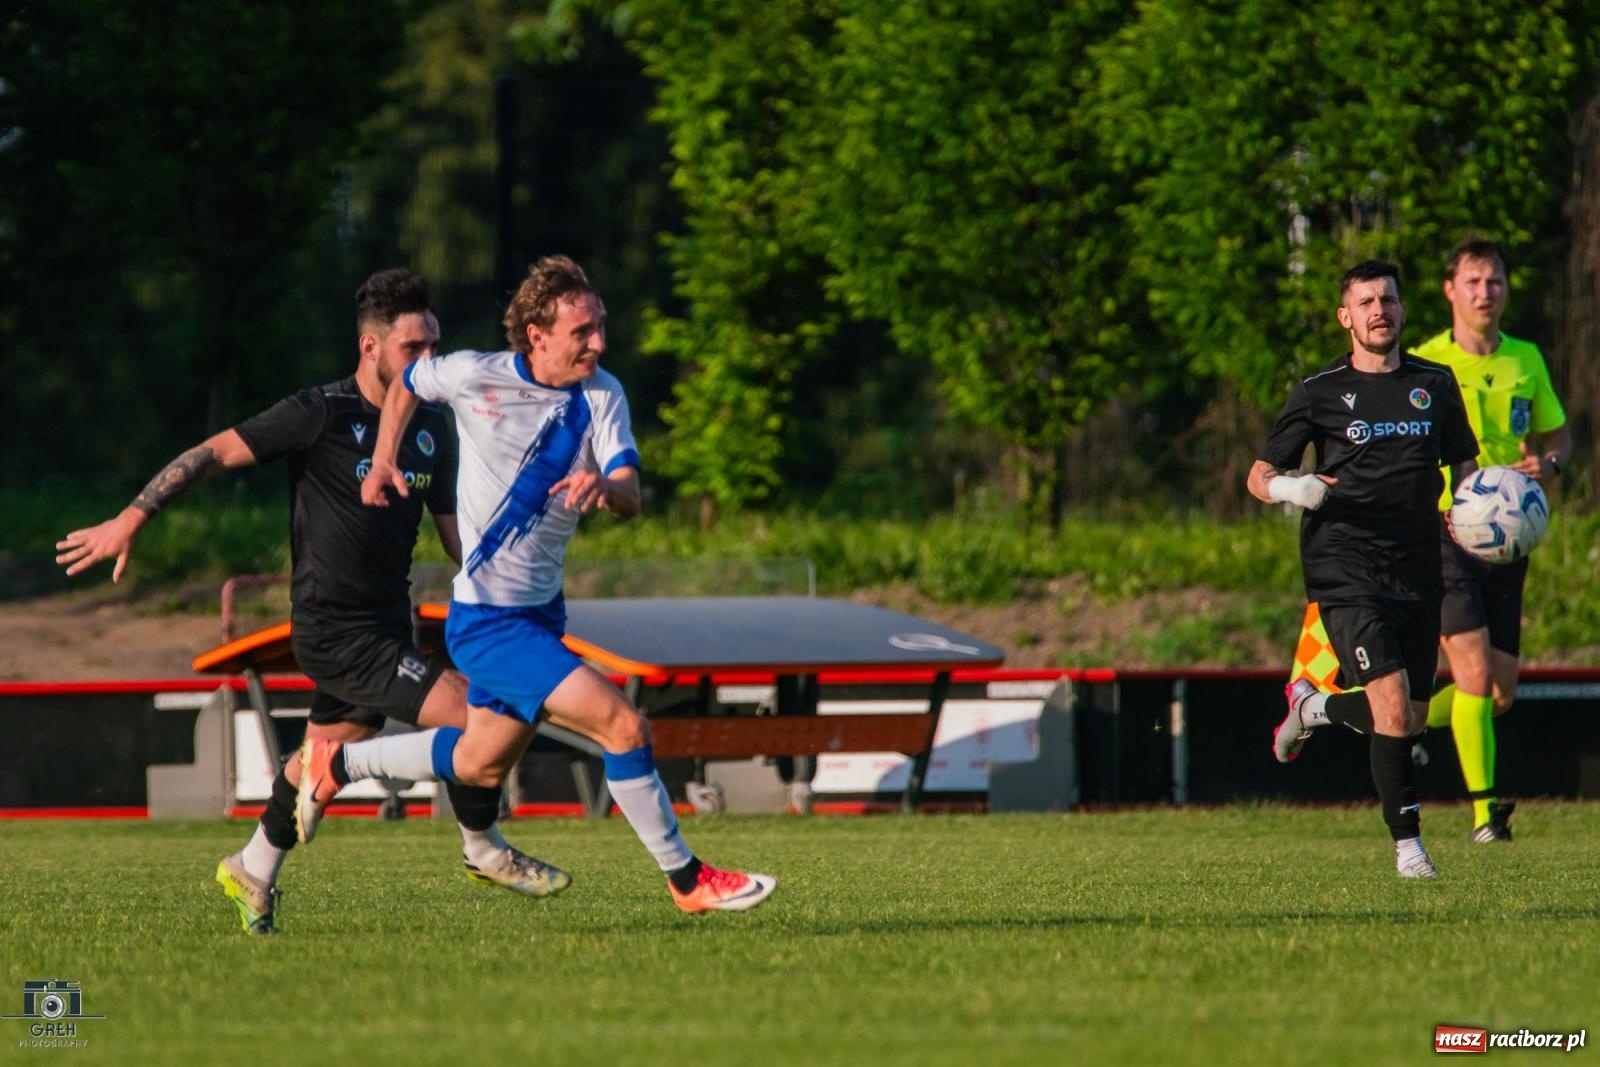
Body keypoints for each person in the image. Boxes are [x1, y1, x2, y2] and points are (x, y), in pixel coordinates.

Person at [55, 269, 566, 936]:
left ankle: (253, 866)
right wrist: (132, 517)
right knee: (479, 716)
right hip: (334, 629)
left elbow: (459, 541)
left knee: (328, 747)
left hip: (391, 624)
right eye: (414, 348)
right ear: (370, 347)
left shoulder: (434, 428)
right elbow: (211, 453)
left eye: (435, 346)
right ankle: (482, 846)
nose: (429, 361)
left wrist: (528, 548)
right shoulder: (320, 412)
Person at [295, 255, 777, 913]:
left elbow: (633, 493)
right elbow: (407, 380)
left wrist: (605, 486)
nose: (598, 343)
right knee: (625, 727)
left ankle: (341, 763)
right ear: (536, 335)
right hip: (488, 622)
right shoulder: (474, 374)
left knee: (478, 763)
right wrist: (382, 460)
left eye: (600, 326)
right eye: (582, 331)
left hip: (541, 613)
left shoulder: (602, 393)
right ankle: (687, 879)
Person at [1250, 260, 1478, 879]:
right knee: (1392, 704)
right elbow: (1257, 476)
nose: (1380, 309)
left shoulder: (1436, 382)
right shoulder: (1318, 390)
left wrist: (1473, 513)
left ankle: (1313, 709)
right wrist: (1294, 489)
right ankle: (1410, 848)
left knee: (1409, 715)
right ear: (1345, 317)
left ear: (1403, 311)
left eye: (1389, 299)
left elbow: (1464, 469)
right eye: (1366, 301)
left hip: (1418, 562)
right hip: (1345, 563)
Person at [1412, 237, 1571, 842]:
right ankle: (1487, 816)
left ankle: (1406, 723)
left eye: (1495, 282)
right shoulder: (1424, 362)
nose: (1485, 293)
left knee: (1499, 692)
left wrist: (1549, 467)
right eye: (1473, 282)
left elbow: (1558, 439)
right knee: (1474, 675)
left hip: (1510, 542)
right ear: (1451, 290)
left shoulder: (1526, 358)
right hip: (1447, 531)